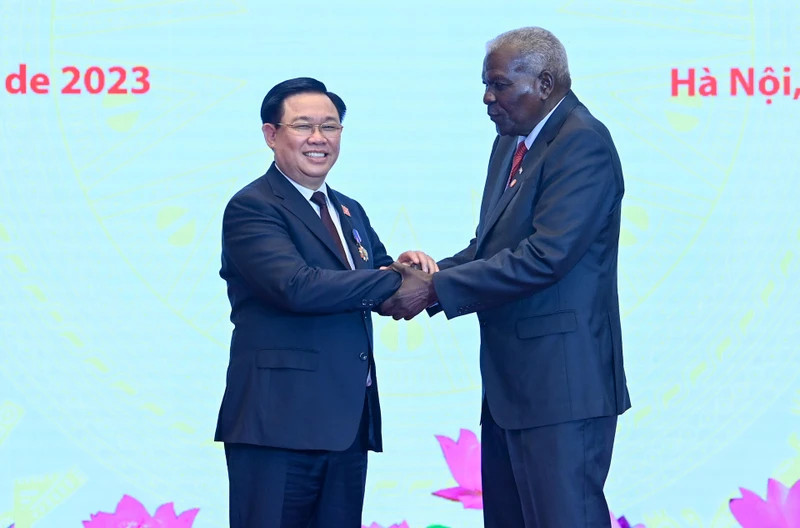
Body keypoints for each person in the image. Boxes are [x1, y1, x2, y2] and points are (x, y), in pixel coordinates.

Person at [380, 27, 631, 527]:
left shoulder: (583, 144)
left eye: (498, 85)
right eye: (485, 84)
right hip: (512, 388)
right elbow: (492, 248)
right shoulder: (513, 144)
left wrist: (434, 288)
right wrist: (422, 273)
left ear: (544, 82)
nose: (487, 98)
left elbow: (545, 256)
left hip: (563, 387)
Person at [214, 77, 435, 528]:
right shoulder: (253, 207)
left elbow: (373, 275)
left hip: (345, 426)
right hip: (277, 427)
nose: (319, 138)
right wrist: (390, 279)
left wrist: (408, 268)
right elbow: (297, 286)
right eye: (303, 126)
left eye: (330, 127)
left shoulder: (347, 209)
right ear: (271, 135)